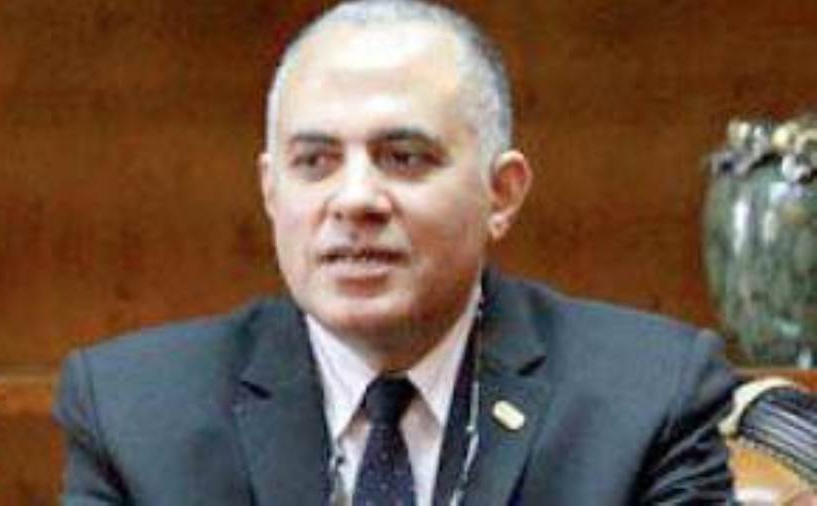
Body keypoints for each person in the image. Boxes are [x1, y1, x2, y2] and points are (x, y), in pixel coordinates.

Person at [54, 1, 739, 504]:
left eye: (404, 157)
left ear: (501, 194)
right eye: (315, 161)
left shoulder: (649, 399)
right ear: (271, 190)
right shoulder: (133, 413)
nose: (355, 199)